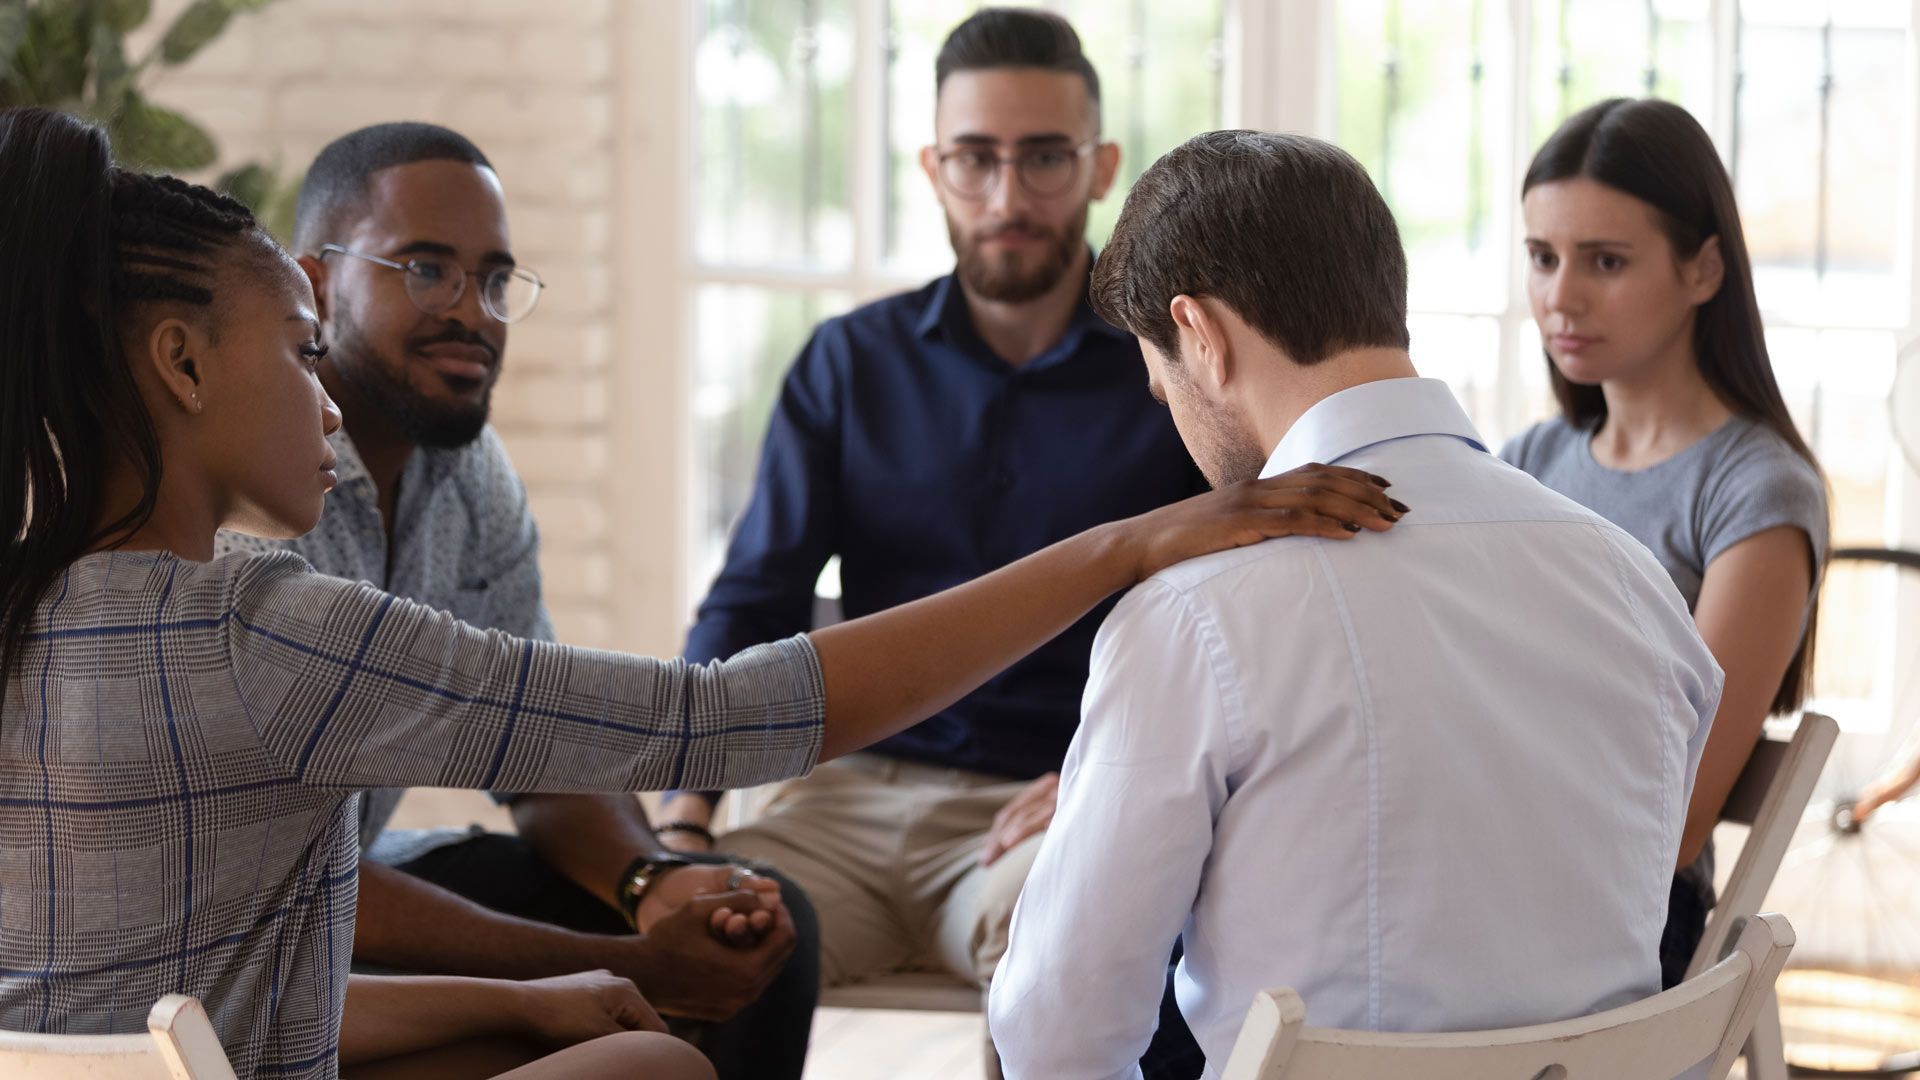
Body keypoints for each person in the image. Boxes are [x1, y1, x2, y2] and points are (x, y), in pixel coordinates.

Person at [0, 106, 1402, 1079]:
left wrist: (556, 974)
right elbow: (719, 716)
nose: (316, 393)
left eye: (496, 277)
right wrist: (1132, 544)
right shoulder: (264, 628)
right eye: (296, 351)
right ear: (182, 367)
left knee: (611, 1026)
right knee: (654, 1069)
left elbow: (207, 1011)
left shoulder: (37, 601)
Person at [987, 129, 1725, 1078]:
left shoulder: (1194, 614)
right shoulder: (1634, 585)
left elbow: (1058, 1029)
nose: (1168, 413)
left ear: (1201, 338)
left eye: (1160, 378)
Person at [212, 121, 817, 1080]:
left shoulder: (470, 475)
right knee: (638, 1007)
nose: (472, 311)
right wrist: (615, 960)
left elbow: (536, 752)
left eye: (494, 280)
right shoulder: (242, 496)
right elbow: (277, 878)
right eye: (424, 269)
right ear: (315, 284)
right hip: (250, 946)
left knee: (756, 934)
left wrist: (650, 881)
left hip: (365, 878)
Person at [660, 6, 1210, 1012]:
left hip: (1055, 804)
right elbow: (753, 600)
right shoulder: (848, 364)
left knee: (1078, 960)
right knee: (695, 946)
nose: (1009, 196)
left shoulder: (1172, 374)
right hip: (843, 803)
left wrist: (1118, 779)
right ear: (932, 168)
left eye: (1045, 158)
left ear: (1099, 167)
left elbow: (1240, 612)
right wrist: (684, 820)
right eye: (975, 158)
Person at [1502, 97, 1829, 987]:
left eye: (1605, 261)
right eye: (1542, 258)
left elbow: (1674, 821)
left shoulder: (1754, 491)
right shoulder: (1530, 459)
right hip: (1491, 864)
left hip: (1623, 916)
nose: (1560, 297)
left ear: (1704, 269)